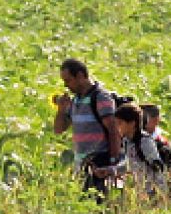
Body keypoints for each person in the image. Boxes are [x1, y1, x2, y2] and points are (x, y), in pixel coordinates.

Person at [52, 58, 122, 203]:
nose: (66, 85)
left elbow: (113, 131)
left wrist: (113, 163)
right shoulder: (75, 101)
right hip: (82, 166)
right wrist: (61, 110)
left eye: (68, 80)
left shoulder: (100, 97)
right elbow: (59, 130)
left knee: (99, 207)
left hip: (99, 165)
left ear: (80, 76)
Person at [93, 103, 167, 199]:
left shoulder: (145, 141)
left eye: (120, 123)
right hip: (140, 192)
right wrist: (110, 170)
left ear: (132, 123)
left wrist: (159, 192)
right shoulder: (127, 141)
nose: (117, 127)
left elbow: (157, 167)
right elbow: (129, 164)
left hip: (153, 192)